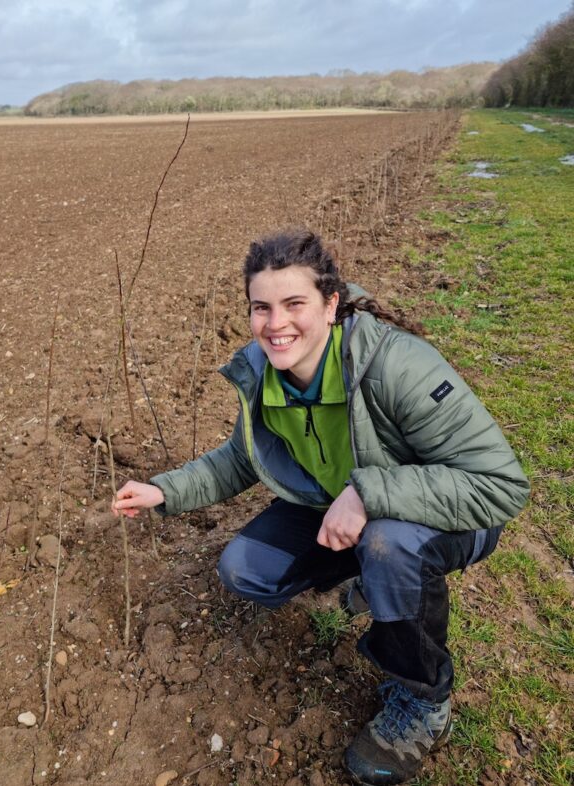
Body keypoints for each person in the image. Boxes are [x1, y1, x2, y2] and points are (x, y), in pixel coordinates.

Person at [112, 229, 529, 785]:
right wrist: (164, 491)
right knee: (246, 568)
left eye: (293, 304)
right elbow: (240, 460)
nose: (275, 323)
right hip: (341, 507)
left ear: (331, 305)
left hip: (456, 514)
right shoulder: (264, 376)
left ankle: (425, 700)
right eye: (261, 307)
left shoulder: (394, 366)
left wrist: (367, 493)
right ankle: (378, 580)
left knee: (388, 545)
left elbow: (499, 485)